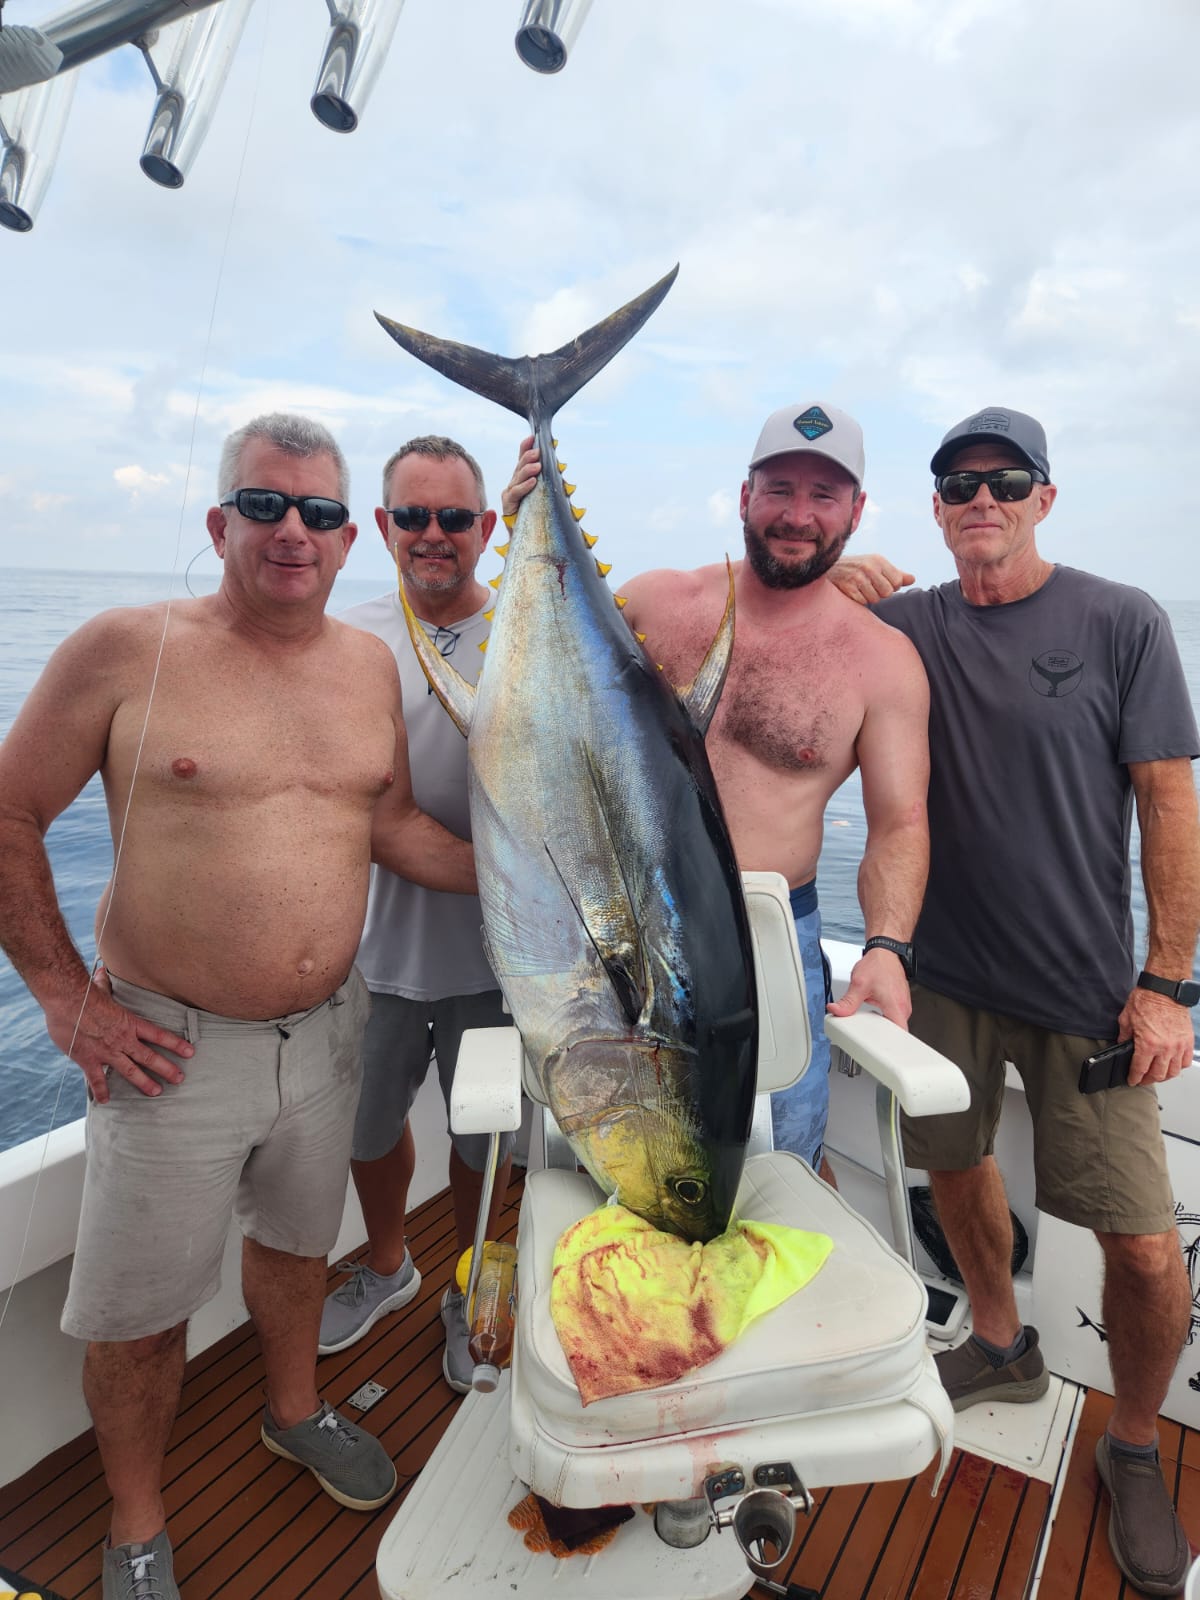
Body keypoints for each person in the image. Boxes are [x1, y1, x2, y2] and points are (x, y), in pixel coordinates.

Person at [0, 414, 477, 1600]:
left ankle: (294, 1408)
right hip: (171, 1051)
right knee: (143, 1319)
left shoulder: (368, 666)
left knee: (297, 1254)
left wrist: (536, 880)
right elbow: (10, 812)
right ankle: (136, 1524)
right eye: (265, 505)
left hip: (325, 1035)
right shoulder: (127, 649)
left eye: (319, 511)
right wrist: (62, 996)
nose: (292, 530)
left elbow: (391, 823)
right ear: (220, 524)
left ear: (348, 537)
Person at [850, 406, 1199, 1598]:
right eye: (959, 484)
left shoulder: (1122, 620)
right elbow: (782, 634)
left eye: (1006, 481)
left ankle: (1135, 1443)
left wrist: (1166, 984)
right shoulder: (907, 624)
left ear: (1045, 498)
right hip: (941, 976)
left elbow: (1168, 800)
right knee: (954, 1166)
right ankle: (1000, 1341)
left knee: (1141, 1244)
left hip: (1084, 994)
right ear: (936, 508)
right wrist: (837, 583)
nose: (981, 500)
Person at [505, 403, 930, 1181]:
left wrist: (886, 947)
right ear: (744, 496)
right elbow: (547, 664)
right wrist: (522, 523)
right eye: (779, 489)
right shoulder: (654, 603)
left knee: (782, 1154)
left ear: (856, 511)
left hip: (772, 929)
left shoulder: (882, 661)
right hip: (621, 921)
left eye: (824, 495)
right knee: (608, 1148)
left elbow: (899, 822)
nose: (797, 514)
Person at [318, 436, 514, 1391]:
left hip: (500, 956)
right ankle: (390, 1265)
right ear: (382, 526)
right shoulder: (343, 636)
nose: (433, 534)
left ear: (488, 526)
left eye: (455, 517)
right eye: (412, 516)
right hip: (370, 949)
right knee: (367, 1130)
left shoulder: (527, 627)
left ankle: (469, 1283)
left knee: (483, 1140)